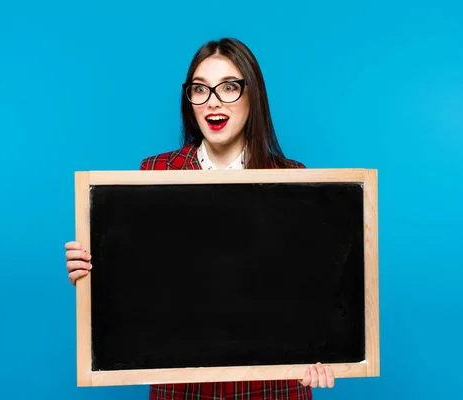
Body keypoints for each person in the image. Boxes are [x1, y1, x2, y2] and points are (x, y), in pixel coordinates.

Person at [64, 37, 335, 399]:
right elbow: (137, 284)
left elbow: (313, 291)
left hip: (272, 386)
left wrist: (324, 353)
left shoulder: (293, 179)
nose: (213, 102)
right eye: (200, 89)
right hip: (182, 387)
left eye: (228, 88)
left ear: (252, 94)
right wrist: (91, 275)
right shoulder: (155, 172)